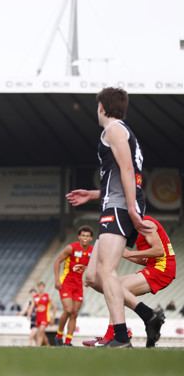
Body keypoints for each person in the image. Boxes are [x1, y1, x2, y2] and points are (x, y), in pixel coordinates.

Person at [66, 87, 156, 348]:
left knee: (106, 271)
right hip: (114, 204)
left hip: (119, 207)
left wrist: (130, 208)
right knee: (93, 277)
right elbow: (120, 175)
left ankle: (120, 336)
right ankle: (148, 315)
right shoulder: (123, 132)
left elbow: (128, 170)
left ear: (102, 108)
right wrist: (93, 194)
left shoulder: (114, 129)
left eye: (97, 107)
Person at [82, 216, 175, 347]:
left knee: (115, 288)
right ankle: (123, 331)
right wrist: (125, 254)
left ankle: (114, 334)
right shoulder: (136, 227)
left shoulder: (146, 223)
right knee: (112, 287)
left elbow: (159, 251)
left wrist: (129, 253)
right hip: (154, 267)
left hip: (162, 269)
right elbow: (145, 259)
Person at [53, 225, 94, 346]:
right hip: (66, 283)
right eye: (83, 235)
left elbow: (93, 268)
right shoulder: (71, 248)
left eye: (87, 236)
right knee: (68, 310)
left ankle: (68, 342)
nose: (85, 238)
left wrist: (88, 280)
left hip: (78, 285)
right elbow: (57, 261)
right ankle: (59, 335)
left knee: (75, 313)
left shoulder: (92, 251)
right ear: (79, 237)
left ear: (91, 238)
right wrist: (56, 279)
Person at [27, 282, 56, 346]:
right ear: (38, 288)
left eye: (42, 287)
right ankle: (48, 344)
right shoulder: (35, 297)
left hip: (45, 317)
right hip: (38, 318)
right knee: (42, 334)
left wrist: (53, 317)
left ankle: (38, 348)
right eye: (39, 287)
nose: (41, 289)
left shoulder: (47, 296)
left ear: (44, 288)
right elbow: (32, 306)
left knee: (41, 332)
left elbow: (54, 306)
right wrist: (29, 314)